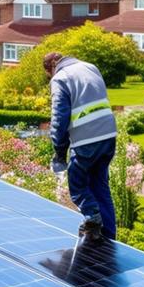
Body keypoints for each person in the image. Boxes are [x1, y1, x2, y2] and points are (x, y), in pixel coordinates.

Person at [45, 52, 118, 241]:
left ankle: (93, 219)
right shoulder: (90, 67)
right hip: (109, 135)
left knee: (77, 184)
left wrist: (60, 152)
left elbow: (59, 118)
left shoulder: (60, 78)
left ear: (52, 67)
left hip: (86, 139)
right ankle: (109, 237)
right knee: (100, 186)